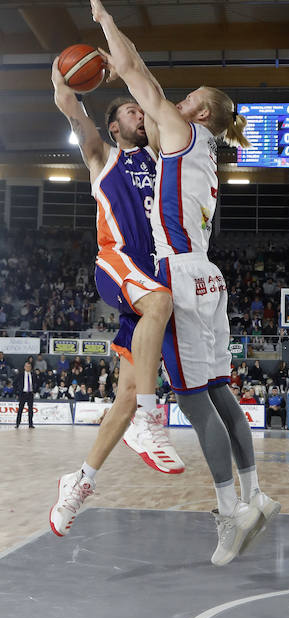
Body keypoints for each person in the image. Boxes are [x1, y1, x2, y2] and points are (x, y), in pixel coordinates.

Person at [89, 0, 278, 565]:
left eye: (187, 94)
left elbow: (132, 67)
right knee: (220, 394)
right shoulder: (208, 152)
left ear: (196, 110)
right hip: (209, 276)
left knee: (196, 403)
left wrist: (104, 19)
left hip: (180, 272)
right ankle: (255, 495)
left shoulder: (177, 128)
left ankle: (230, 513)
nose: (176, 98)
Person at [49, 59, 183, 537]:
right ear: (114, 125)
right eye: (130, 111)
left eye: (139, 110)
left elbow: (158, 100)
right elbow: (70, 107)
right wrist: (64, 77)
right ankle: (150, 418)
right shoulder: (102, 155)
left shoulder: (163, 157)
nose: (140, 115)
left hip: (148, 280)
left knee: (124, 396)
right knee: (161, 302)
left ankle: (79, 482)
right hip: (118, 264)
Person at [15, 360, 36, 428]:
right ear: (24, 367)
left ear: (31, 367)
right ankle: (17, 423)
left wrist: (35, 390)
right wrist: (17, 391)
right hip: (23, 394)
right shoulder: (20, 374)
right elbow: (14, 383)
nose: (28, 368)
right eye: (27, 366)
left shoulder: (33, 374)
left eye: (29, 366)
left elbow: (36, 383)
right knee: (20, 409)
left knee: (30, 410)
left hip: (30, 394)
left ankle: (30, 424)